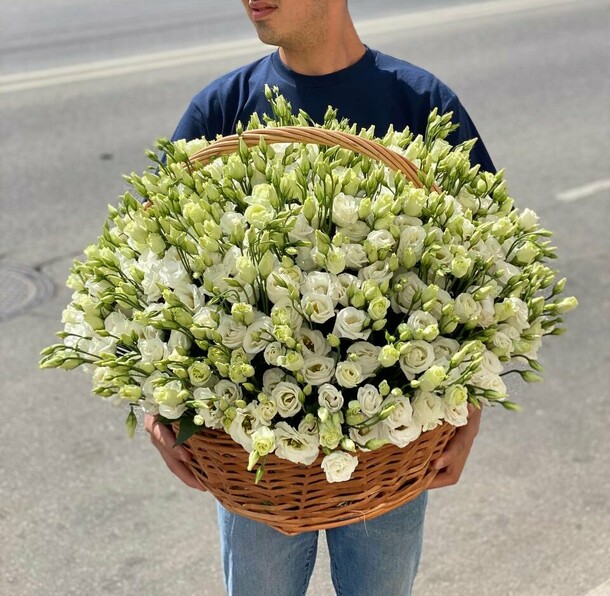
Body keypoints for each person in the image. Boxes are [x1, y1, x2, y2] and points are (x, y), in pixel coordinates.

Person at [146, 1, 487, 594]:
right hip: (255, 461)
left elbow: (487, 269)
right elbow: (151, 270)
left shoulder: (420, 105)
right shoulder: (222, 110)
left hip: (391, 446)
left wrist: (469, 411)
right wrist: (154, 405)